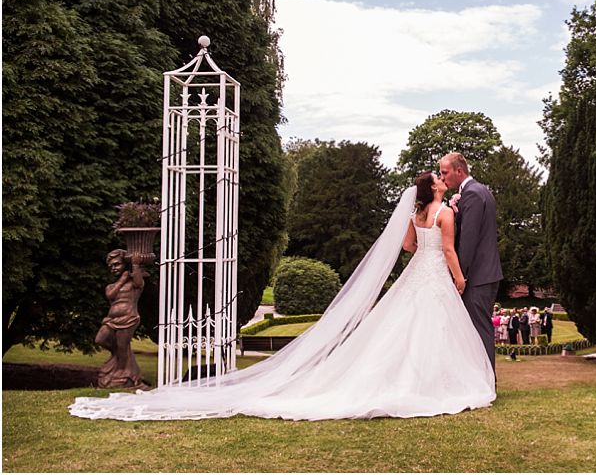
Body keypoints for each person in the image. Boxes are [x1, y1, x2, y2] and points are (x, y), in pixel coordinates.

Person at [70, 173, 495, 421]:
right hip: (437, 274)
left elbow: (406, 248)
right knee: (432, 330)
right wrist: (457, 278)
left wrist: (427, 250)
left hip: (418, 273)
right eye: (438, 178)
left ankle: (415, 379)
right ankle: (434, 383)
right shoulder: (445, 213)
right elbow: (452, 250)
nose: (441, 179)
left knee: (404, 330)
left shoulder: (417, 213)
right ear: (435, 190)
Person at [439, 152, 503, 370]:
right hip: (486, 273)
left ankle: (486, 382)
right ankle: (481, 380)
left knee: (478, 329)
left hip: (477, 275)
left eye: (445, 172)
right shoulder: (479, 190)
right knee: (476, 328)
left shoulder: (473, 195)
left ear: (459, 170)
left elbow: (469, 240)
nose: (442, 177)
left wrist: (460, 275)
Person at [95, 249, 147, 388]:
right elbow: (110, 295)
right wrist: (122, 279)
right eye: (111, 266)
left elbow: (138, 282)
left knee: (122, 346)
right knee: (100, 339)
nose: (113, 268)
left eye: (117, 264)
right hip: (111, 321)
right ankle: (117, 357)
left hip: (128, 318)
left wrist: (135, 265)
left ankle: (122, 372)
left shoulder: (134, 285)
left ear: (125, 264)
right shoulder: (111, 286)